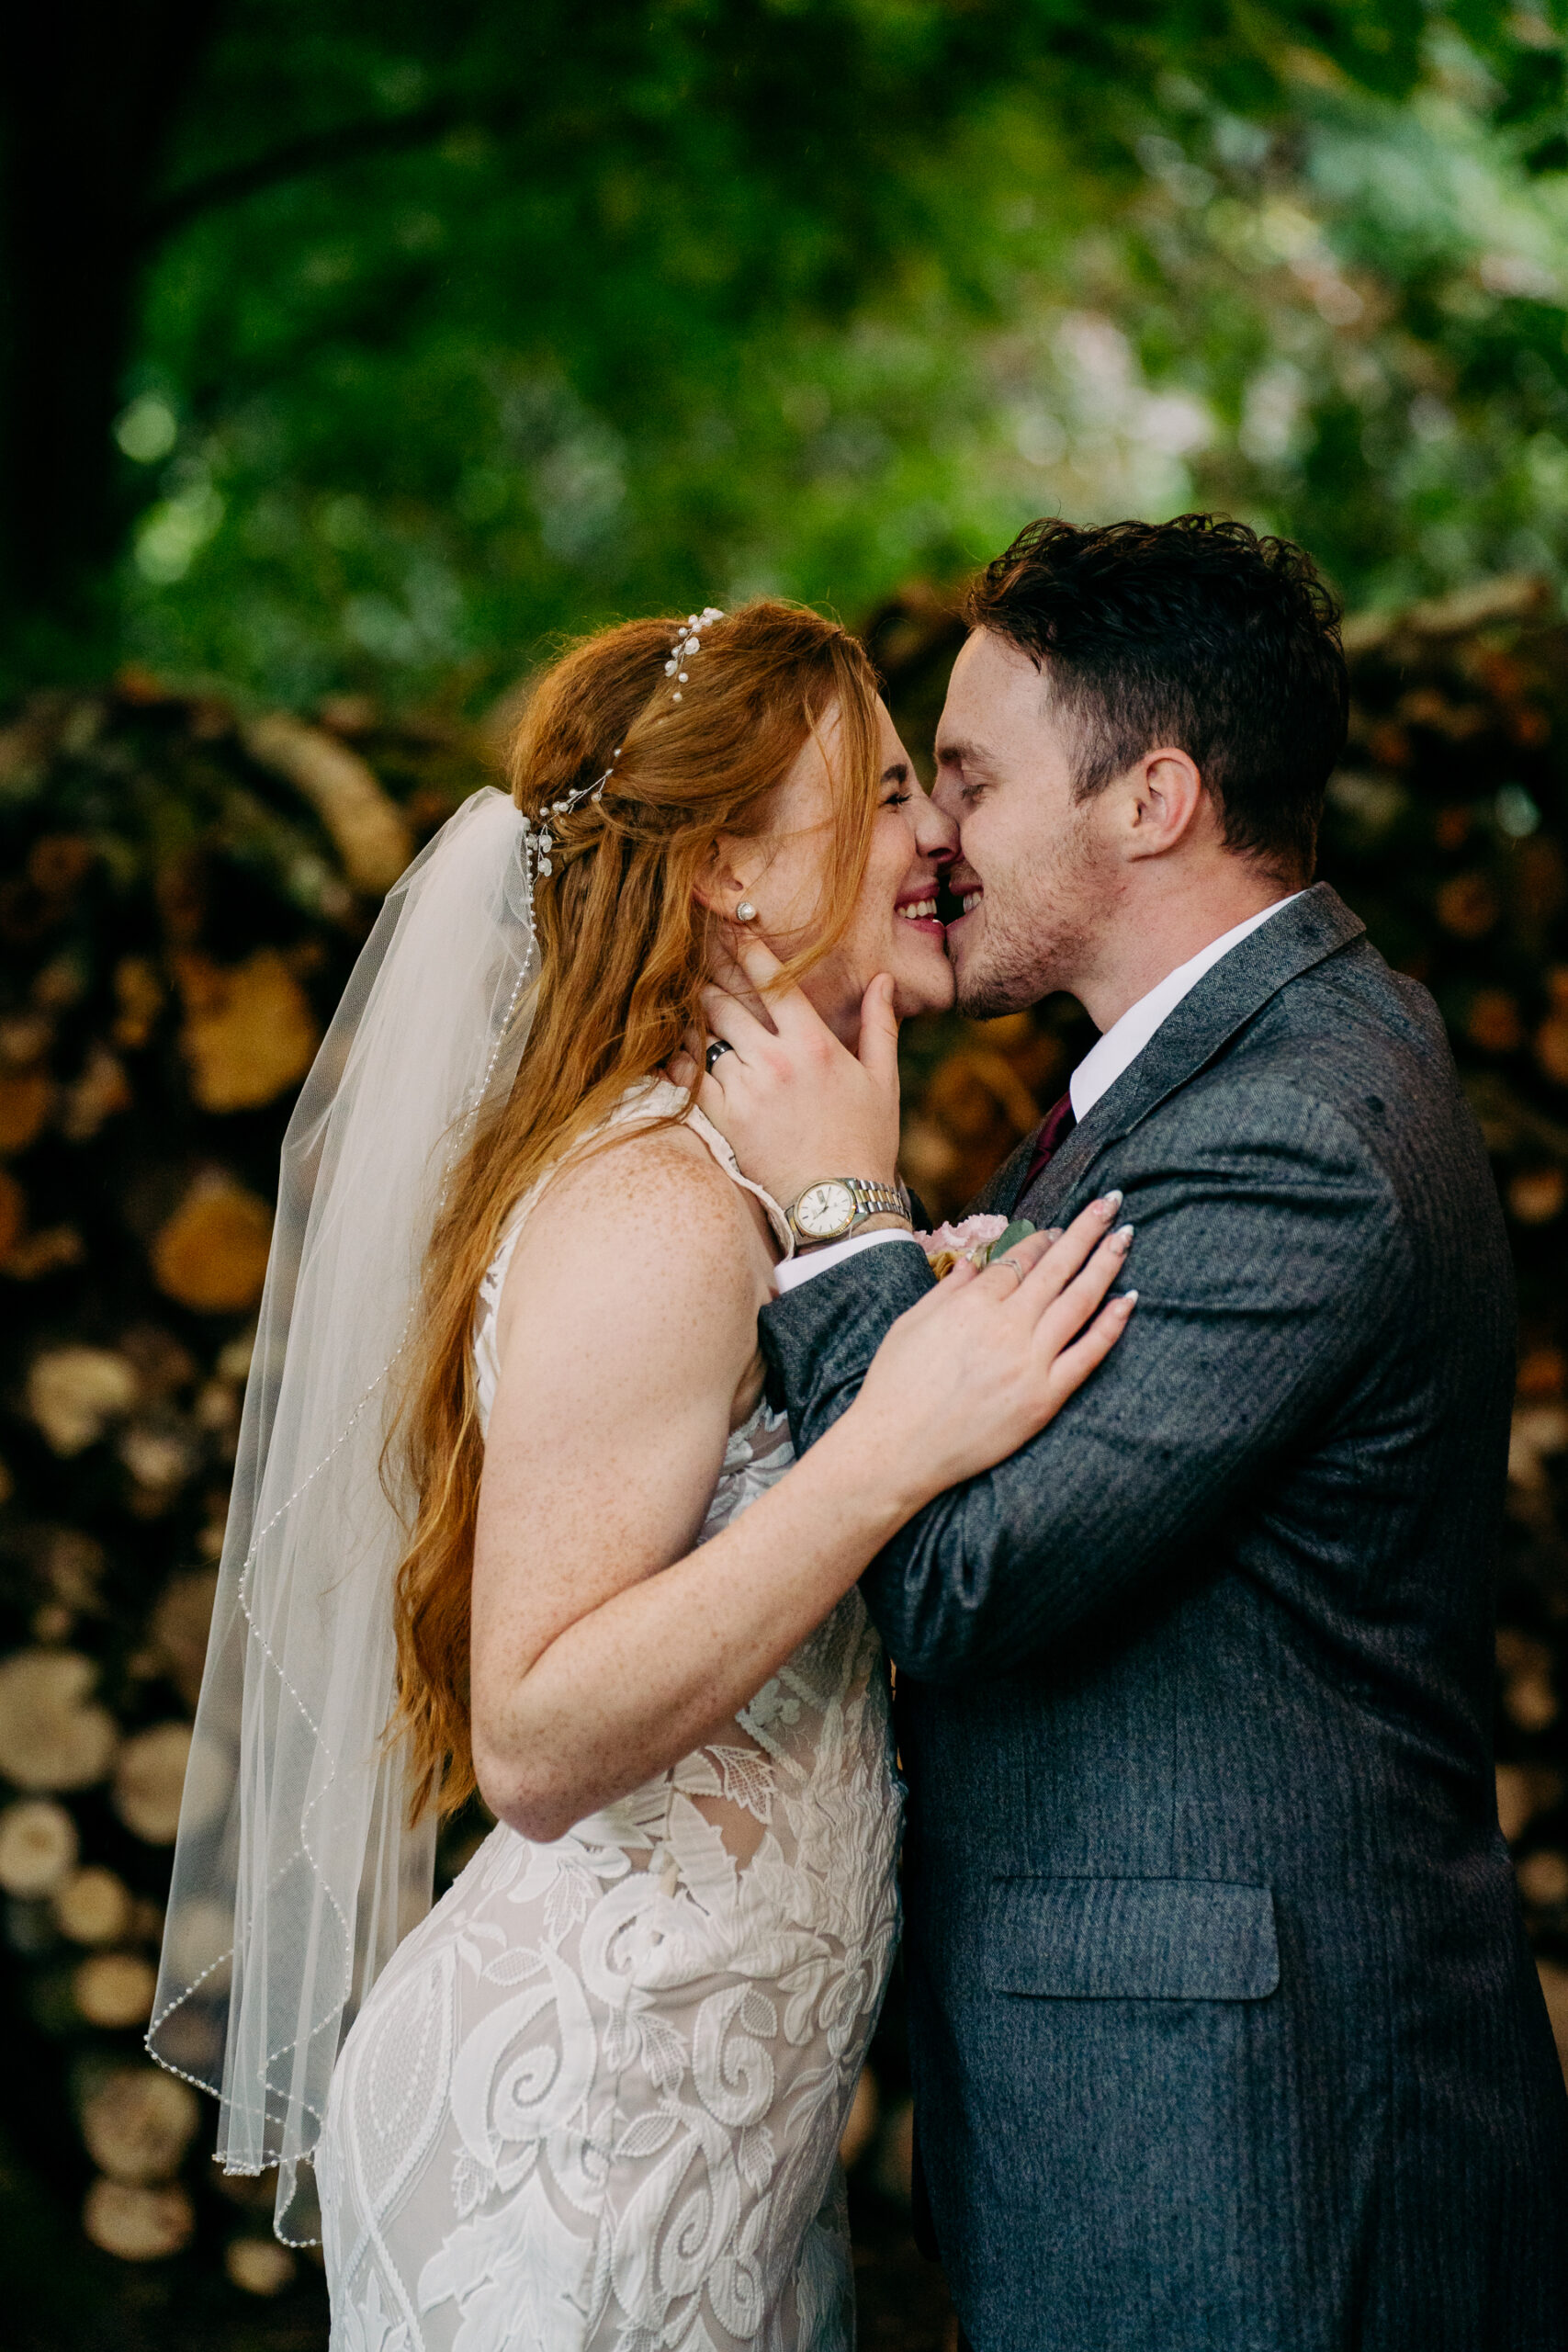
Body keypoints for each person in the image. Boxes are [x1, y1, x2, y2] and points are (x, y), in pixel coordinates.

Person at [148, 599, 1132, 2352]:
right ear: (731, 873)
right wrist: (893, 1446)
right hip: (583, 2136)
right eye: (889, 788)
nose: (940, 834)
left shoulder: (759, 1193)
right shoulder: (658, 1208)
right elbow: (527, 1737)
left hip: (714, 2126)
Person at [695, 519, 1568, 2351]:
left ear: (1150, 796)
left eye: (969, 777)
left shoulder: (1291, 1131)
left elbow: (950, 1564)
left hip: (1249, 2138)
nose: (930, 833)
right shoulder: (1197, 1083)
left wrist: (846, 1215)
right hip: (1157, 2098)